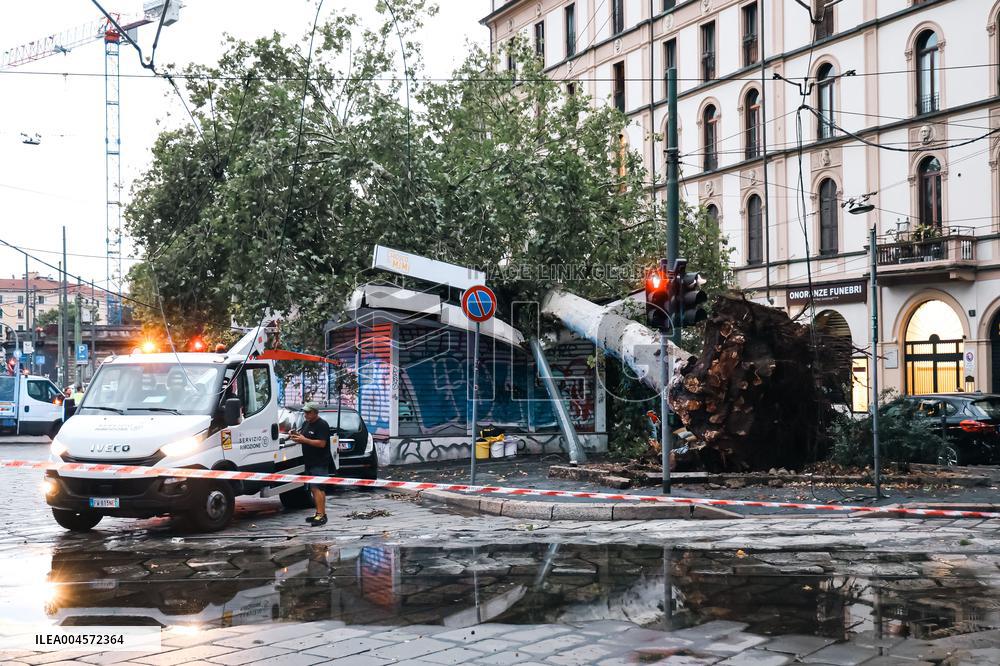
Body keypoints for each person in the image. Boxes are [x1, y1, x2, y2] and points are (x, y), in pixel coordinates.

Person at [289, 402, 332, 526]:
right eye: (305, 412)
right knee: (314, 488)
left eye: (308, 412)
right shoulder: (306, 423)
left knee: (318, 488)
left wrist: (304, 440)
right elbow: (304, 437)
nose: (306, 415)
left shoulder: (322, 425)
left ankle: (321, 515)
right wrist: (295, 436)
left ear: (315, 412)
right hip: (309, 461)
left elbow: (322, 443)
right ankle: (319, 513)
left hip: (320, 461)